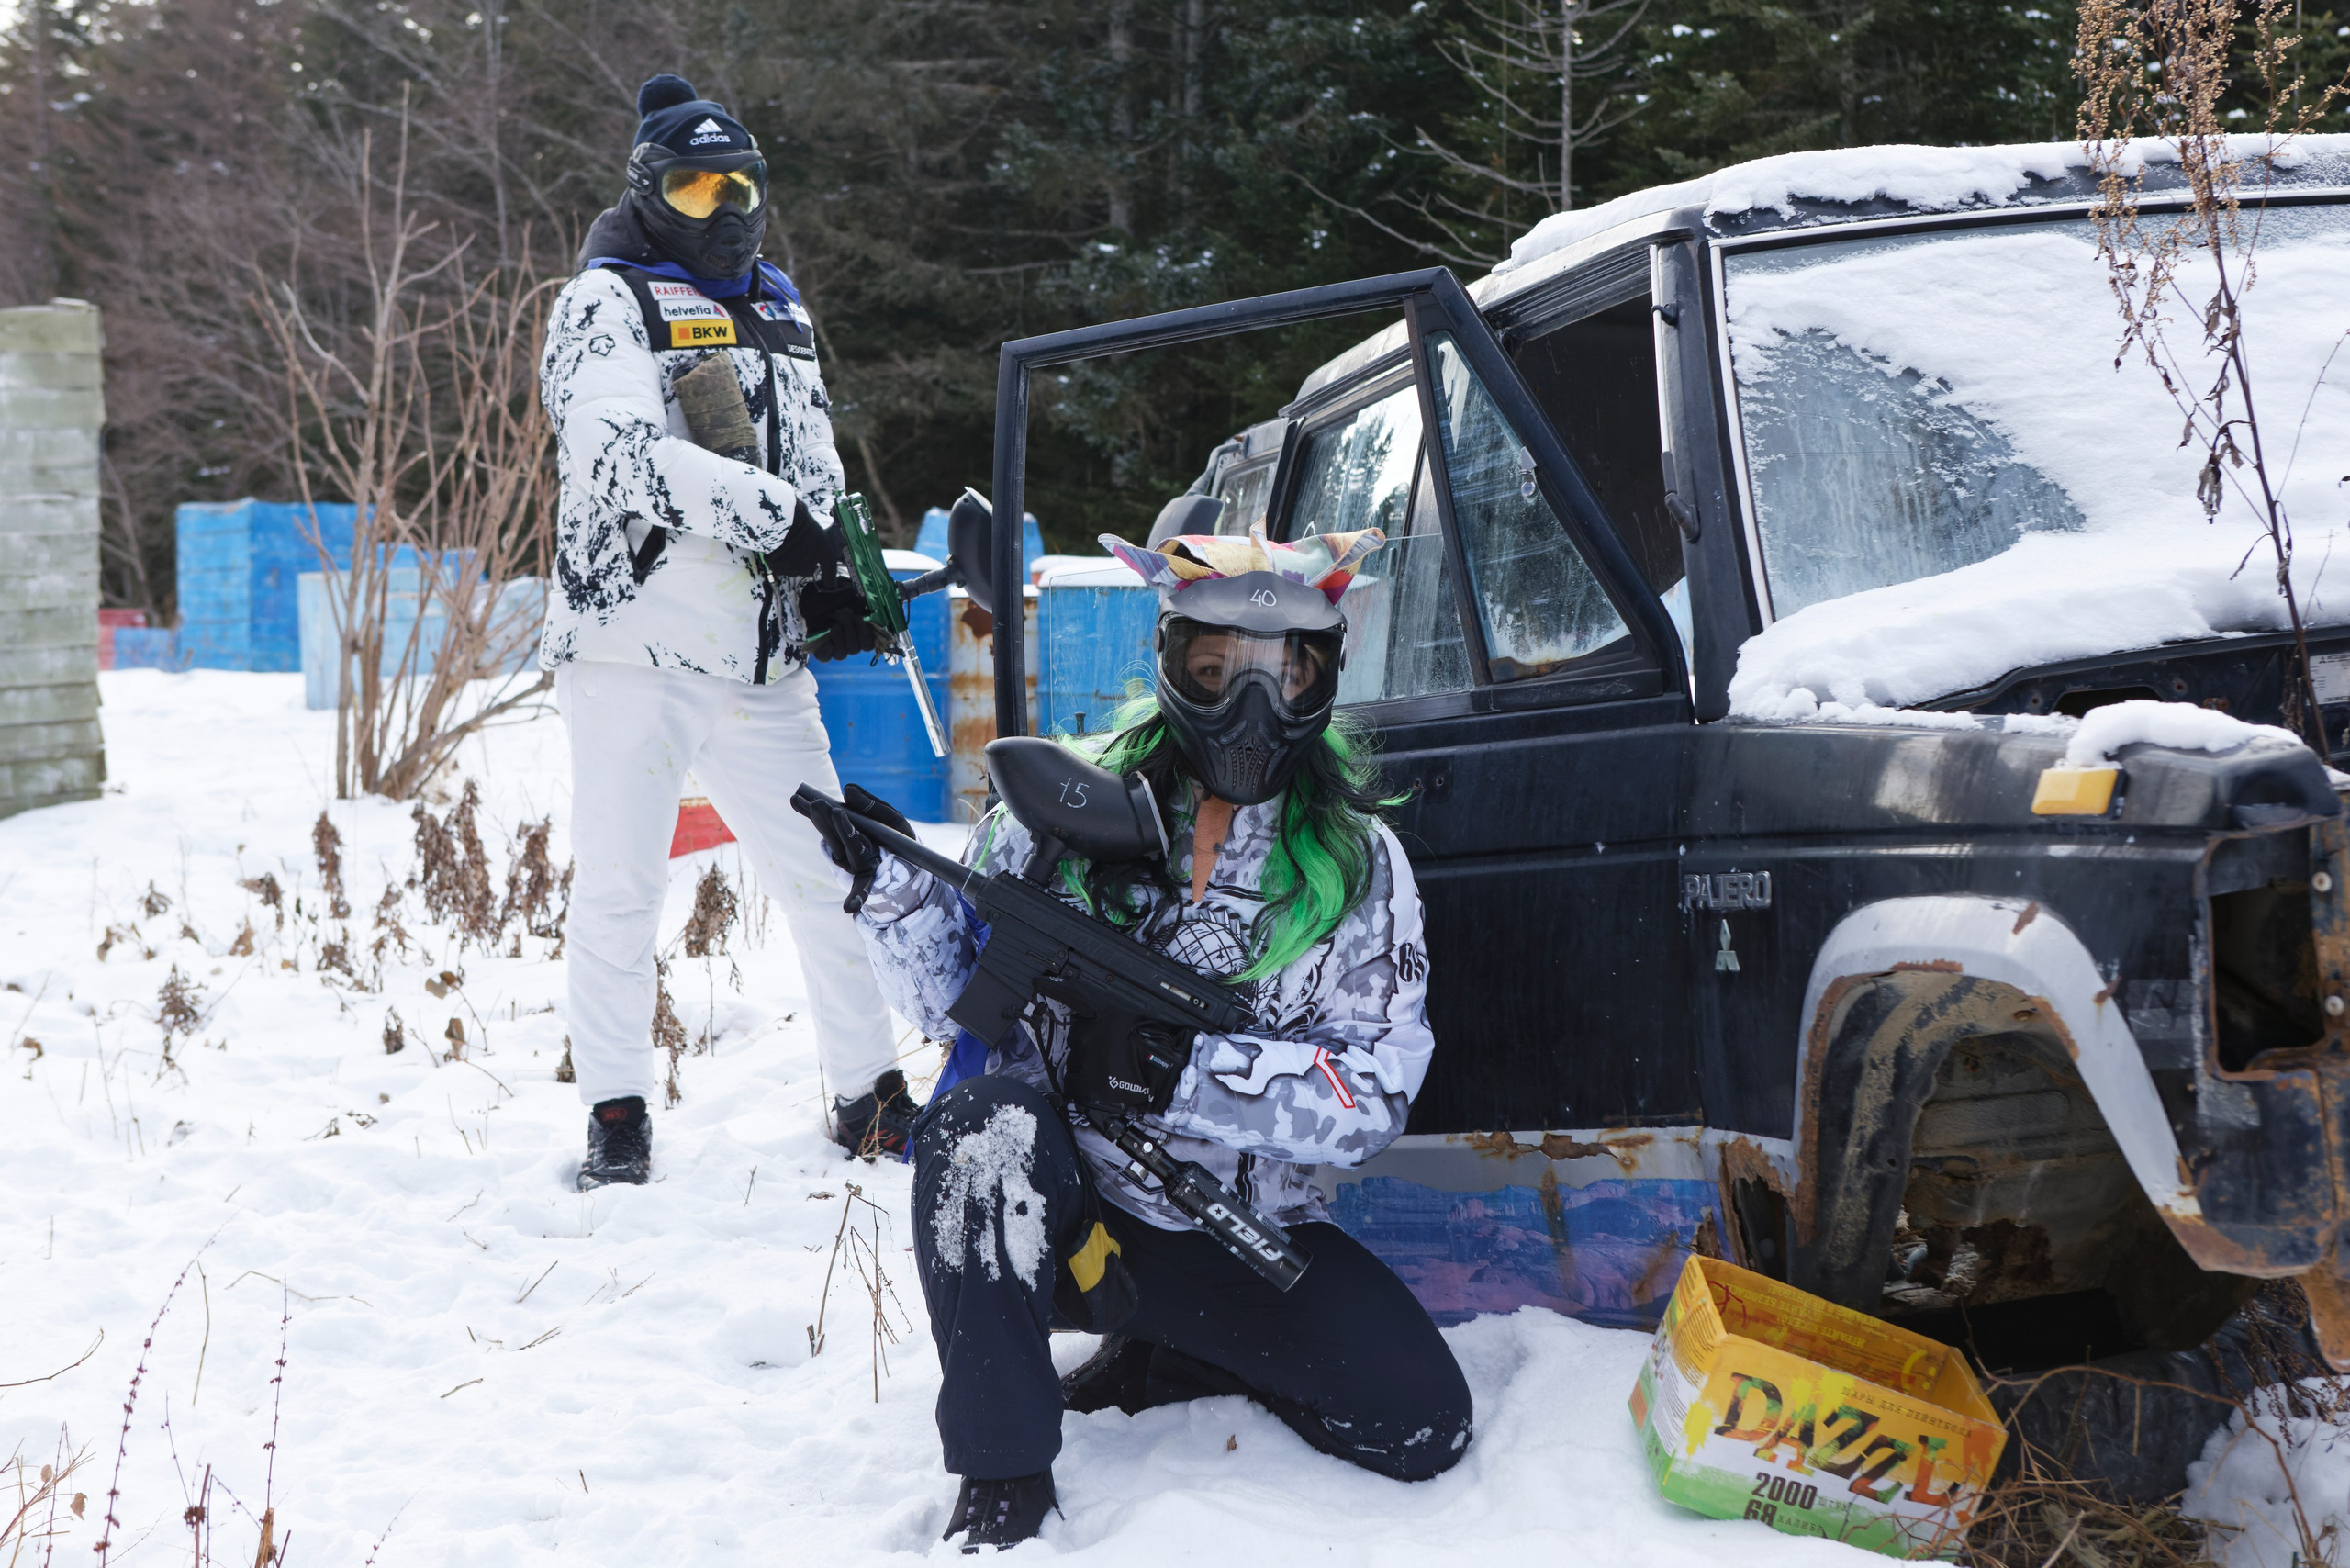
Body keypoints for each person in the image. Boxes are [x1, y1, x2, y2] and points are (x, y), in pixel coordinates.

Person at [801, 525, 1473, 1552]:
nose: (1254, 700)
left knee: (1422, 1422)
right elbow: (959, 1007)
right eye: (1217, 668)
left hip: (1240, 1231)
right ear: (1171, 664)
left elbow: (1373, 1095)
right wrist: (887, 891)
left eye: (1284, 670)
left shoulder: (1357, 864)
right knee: (980, 1128)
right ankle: (1004, 1473)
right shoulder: (1057, 806)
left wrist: (1187, 1070)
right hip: (1069, 1219)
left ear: (1321, 674)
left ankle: (1173, 1356)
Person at [539, 74, 921, 1186]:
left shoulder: (779, 301)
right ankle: (618, 1112)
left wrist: (837, 574)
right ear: (647, 190)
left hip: (761, 658)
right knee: (621, 882)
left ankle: (869, 1094)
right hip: (633, 641)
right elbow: (609, 455)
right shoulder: (606, 300)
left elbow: (812, 458)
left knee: (826, 869)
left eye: (738, 183)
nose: (721, 205)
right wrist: (775, 520)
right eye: (691, 186)